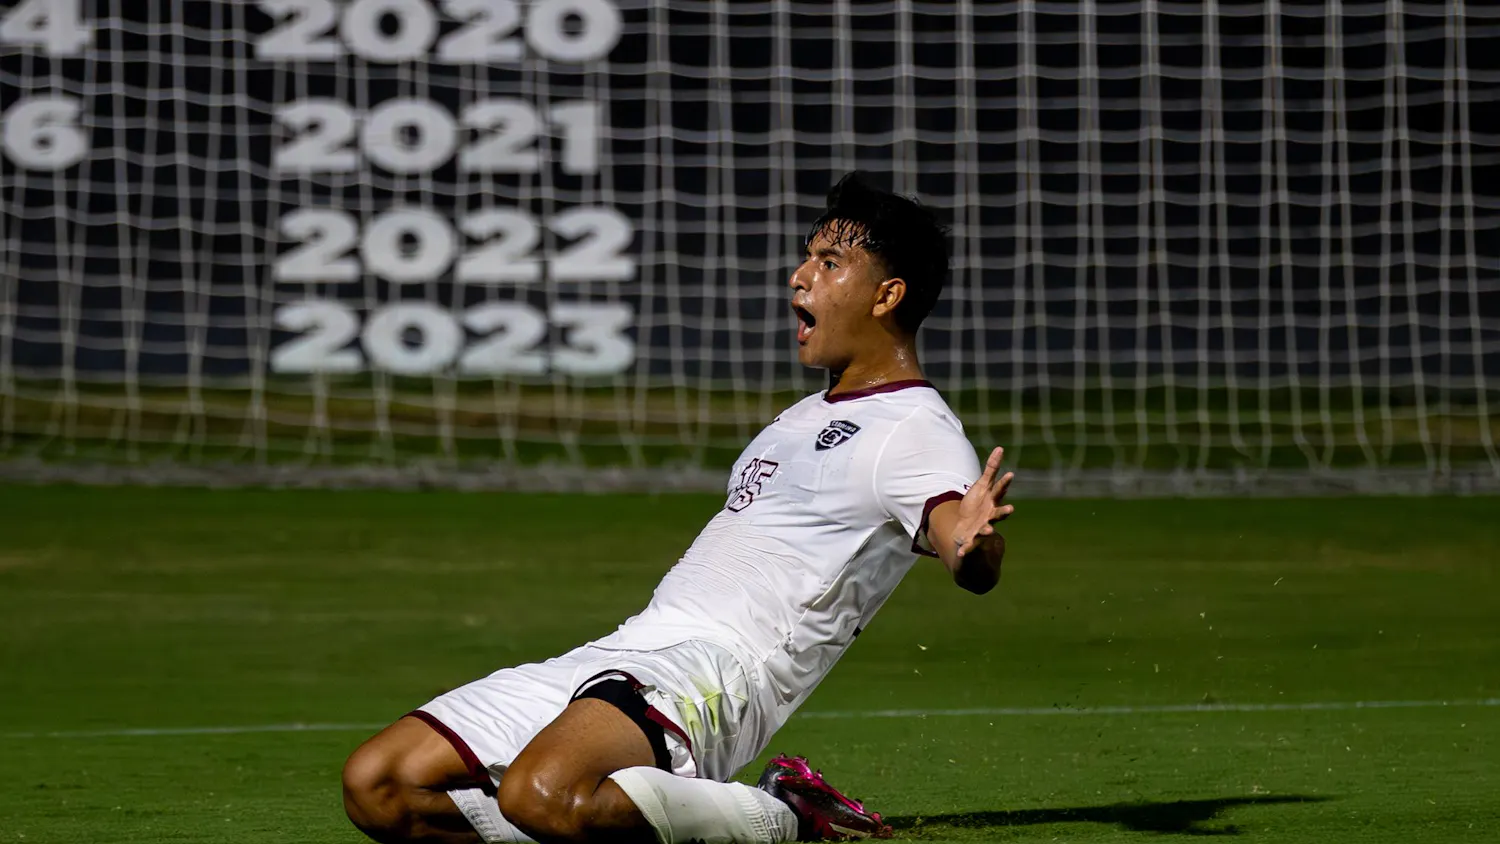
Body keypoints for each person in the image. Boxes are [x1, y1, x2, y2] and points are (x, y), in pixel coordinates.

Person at [341, 172, 1015, 844]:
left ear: (886, 296)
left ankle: (788, 816)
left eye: (830, 263)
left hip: (719, 675)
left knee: (541, 795)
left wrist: (974, 542)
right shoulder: (802, 415)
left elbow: (962, 545)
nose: (799, 276)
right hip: (632, 645)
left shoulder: (915, 426)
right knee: (381, 786)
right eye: (808, 255)